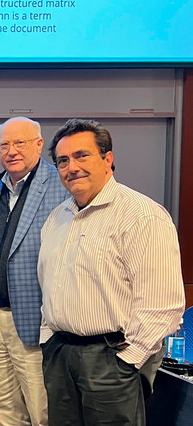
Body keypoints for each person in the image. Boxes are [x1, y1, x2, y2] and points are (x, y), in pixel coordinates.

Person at [38, 118, 185, 425]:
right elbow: (49, 286)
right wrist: (48, 339)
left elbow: (164, 305)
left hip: (111, 359)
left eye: (82, 155)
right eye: (63, 161)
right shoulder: (57, 218)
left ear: (108, 159)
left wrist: (128, 362)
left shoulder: (143, 216)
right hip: (60, 356)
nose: (72, 167)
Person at [0, 117, 67, 426]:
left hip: (34, 316)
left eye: (20, 143)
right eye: (4, 144)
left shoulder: (60, 184)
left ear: (39, 144)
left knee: (41, 406)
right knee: (1, 404)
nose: (11, 151)